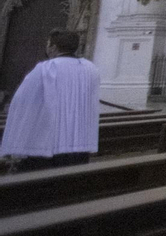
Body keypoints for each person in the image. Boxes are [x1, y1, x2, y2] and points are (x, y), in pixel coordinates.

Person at [0, 28, 99, 170]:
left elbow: (22, 103)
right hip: (79, 143)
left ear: (53, 47)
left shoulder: (46, 68)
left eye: (48, 44)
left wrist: (15, 144)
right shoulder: (90, 69)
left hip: (47, 146)